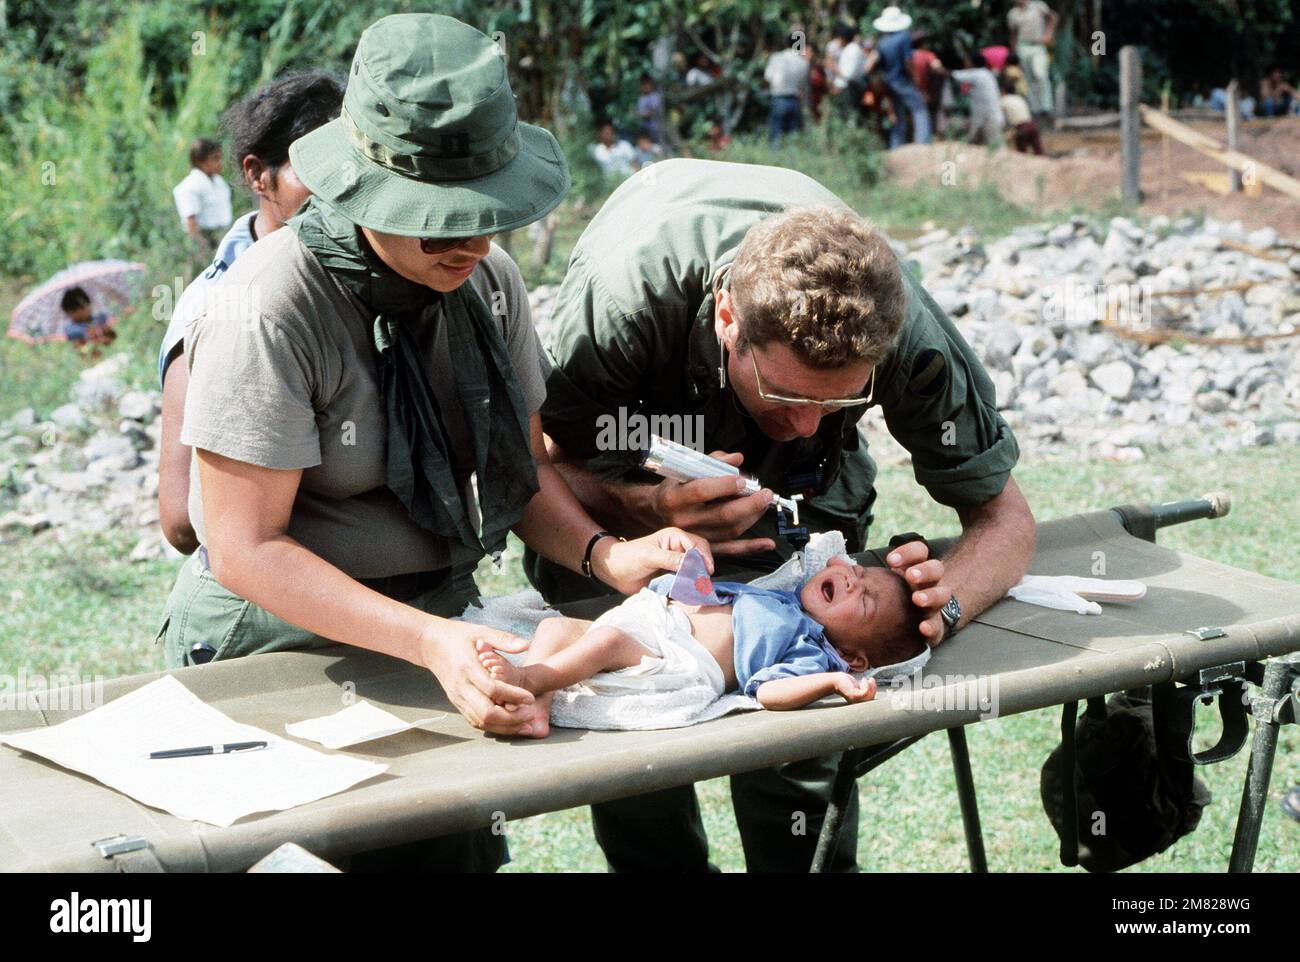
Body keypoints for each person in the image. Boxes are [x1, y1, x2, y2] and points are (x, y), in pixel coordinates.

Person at [160, 13, 716, 873]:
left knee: (448, 857)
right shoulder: (268, 306)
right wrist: (428, 641)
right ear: (366, 184)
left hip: (436, 626)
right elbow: (242, 547)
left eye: (487, 215)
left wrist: (606, 554)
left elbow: (520, 467)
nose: (472, 242)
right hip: (277, 650)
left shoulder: (485, 284)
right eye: (437, 220)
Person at [528, 159, 1037, 872]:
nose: (802, 425)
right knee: (630, 731)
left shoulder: (899, 326)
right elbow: (536, 468)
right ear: (728, 318)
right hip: (628, 473)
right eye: (784, 394)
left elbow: (1007, 519)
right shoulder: (626, 300)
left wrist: (934, 610)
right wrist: (642, 508)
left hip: (803, 499)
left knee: (801, 749)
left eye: (836, 403)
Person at [157, 71, 345, 556]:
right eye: (315, 172)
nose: (341, 191)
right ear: (258, 175)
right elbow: (181, 519)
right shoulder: (216, 305)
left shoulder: (370, 282)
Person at [481, 556, 925, 736]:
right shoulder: (785, 596)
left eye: (864, 600)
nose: (852, 580)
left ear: (851, 656)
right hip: (659, 622)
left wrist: (831, 680)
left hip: (680, 661)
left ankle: (529, 678)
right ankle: (534, 706)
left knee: (609, 642)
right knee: (556, 632)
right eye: (859, 574)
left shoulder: (809, 651)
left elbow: (767, 694)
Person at [873, 6, 931, 148]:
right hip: (901, 80)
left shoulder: (881, 42)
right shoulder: (904, 37)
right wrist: (915, 77)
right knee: (919, 107)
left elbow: (878, 64)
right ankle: (923, 142)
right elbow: (907, 61)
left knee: (897, 114)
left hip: (888, 82)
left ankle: (896, 146)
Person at [172, 137, 233, 256]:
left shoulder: (219, 182)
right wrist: (204, 247)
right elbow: (191, 224)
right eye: (215, 159)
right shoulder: (190, 186)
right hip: (203, 242)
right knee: (193, 274)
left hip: (222, 238)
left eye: (220, 158)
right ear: (200, 161)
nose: (220, 163)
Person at [1007, 0, 1058, 122]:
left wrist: (1049, 34)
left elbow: (1054, 17)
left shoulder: (1038, 6)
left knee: (1040, 74)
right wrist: (1013, 55)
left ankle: (1047, 107)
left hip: (1038, 46)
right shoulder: (1012, 14)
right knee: (1027, 78)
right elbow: (1013, 34)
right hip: (1022, 46)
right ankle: (1035, 109)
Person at [764, 27, 810, 144]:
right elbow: (802, 85)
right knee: (792, 139)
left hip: (778, 98)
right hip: (794, 100)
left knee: (775, 136)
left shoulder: (776, 57)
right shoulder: (803, 62)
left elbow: (768, 78)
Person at [953, 58, 1006, 145]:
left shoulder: (977, 74)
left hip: (988, 117)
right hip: (989, 116)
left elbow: (955, 75)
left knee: (995, 146)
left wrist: (938, 68)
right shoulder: (986, 73)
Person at [832, 21, 869, 124]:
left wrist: (834, 69)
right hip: (848, 88)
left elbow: (849, 75)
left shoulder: (852, 50)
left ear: (843, 38)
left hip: (850, 89)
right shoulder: (850, 49)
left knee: (849, 119)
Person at [1000, 74, 1043, 154]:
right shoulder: (1020, 98)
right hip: (1032, 125)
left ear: (1003, 91)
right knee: (1038, 151)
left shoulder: (1003, 100)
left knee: (1022, 153)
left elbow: (998, 116)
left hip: (1021, 128)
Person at [636, 73, 665, 144]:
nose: (645, 86)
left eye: (647, 84)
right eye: (643, 84)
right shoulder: (641, 99)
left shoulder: (655, 96)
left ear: (651, 84)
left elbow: (653, 112)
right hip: (644, 129)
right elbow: (638, 113)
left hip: (656, 128)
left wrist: (642, 115)